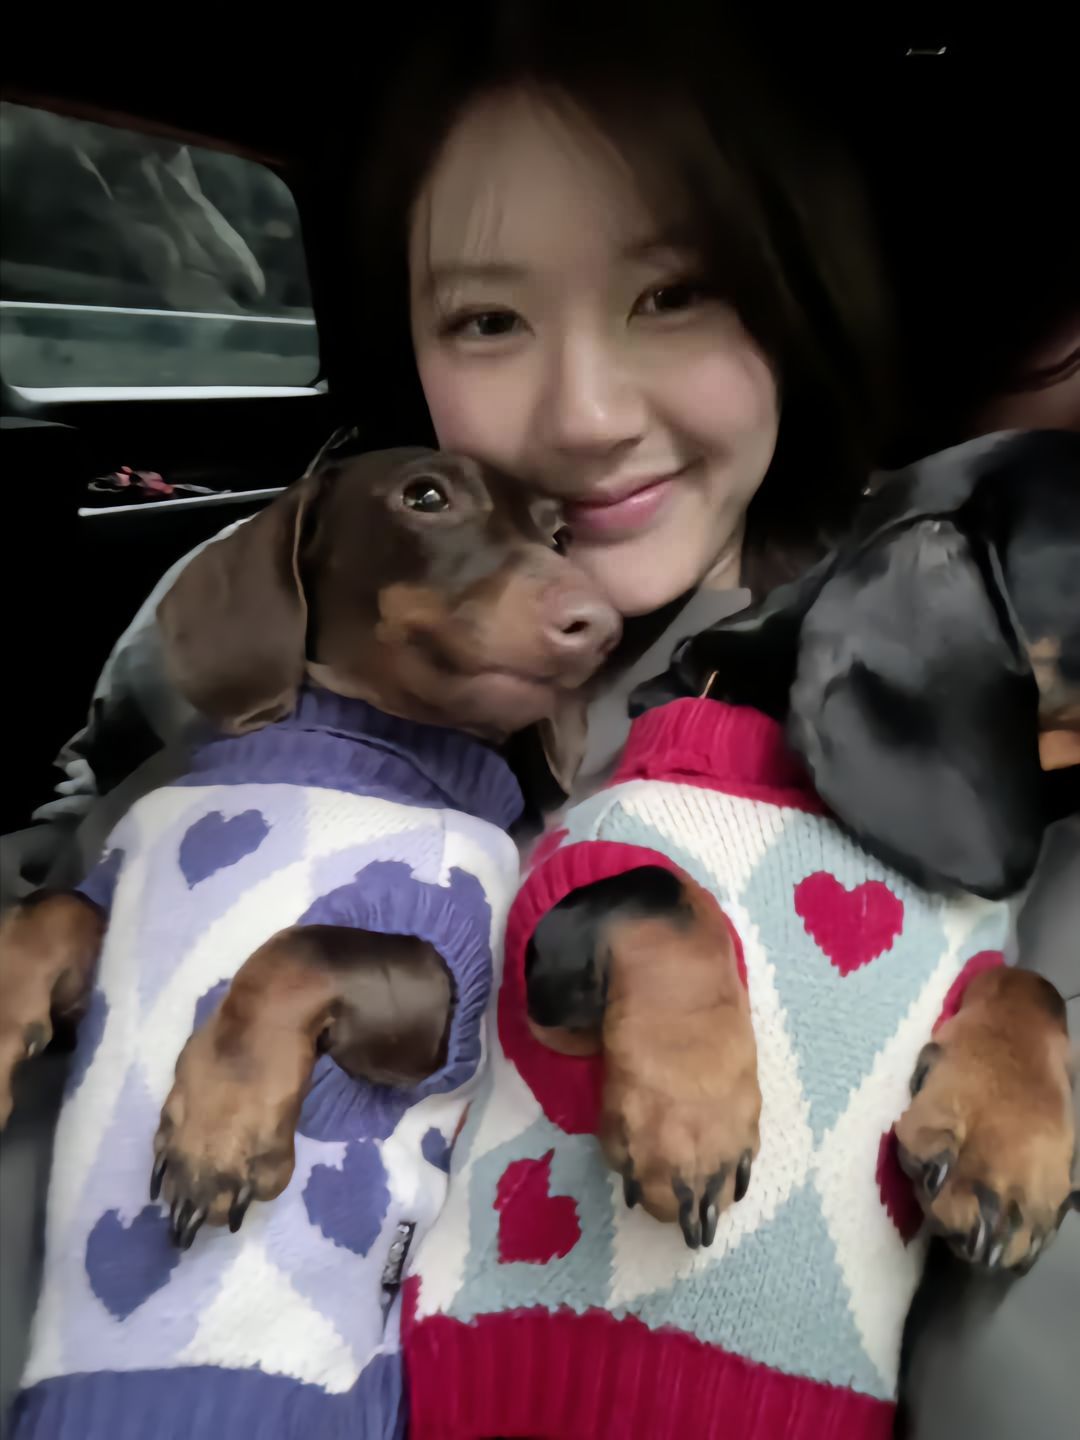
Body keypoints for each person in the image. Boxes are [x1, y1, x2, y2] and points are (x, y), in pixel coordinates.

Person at [0, 5, 1072, 1437]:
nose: (581, 415)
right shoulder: (270, 614)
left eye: (674, 292)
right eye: (487, 320)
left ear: (793, 300)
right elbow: (86, 847)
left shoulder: (942, 681)